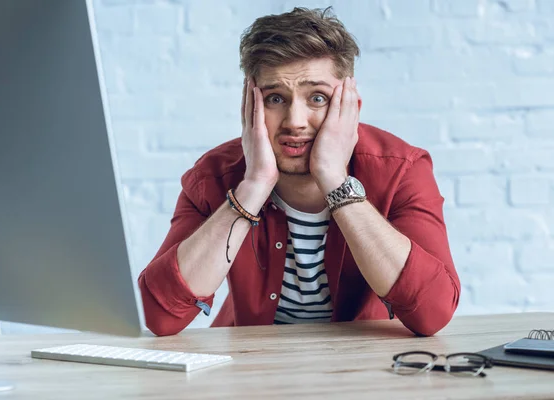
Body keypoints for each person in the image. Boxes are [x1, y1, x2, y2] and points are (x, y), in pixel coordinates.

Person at [138, 7, 460, 337]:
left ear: (351, 107)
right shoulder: (213, 176)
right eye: (275, 98)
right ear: (250, 105)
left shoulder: (401, 170)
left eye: (317, 98)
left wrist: (336, 181)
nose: (295, 121)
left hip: (366, 368)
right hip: (251, 367)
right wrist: (254, 185)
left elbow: (433, 313)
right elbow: (160, 316)